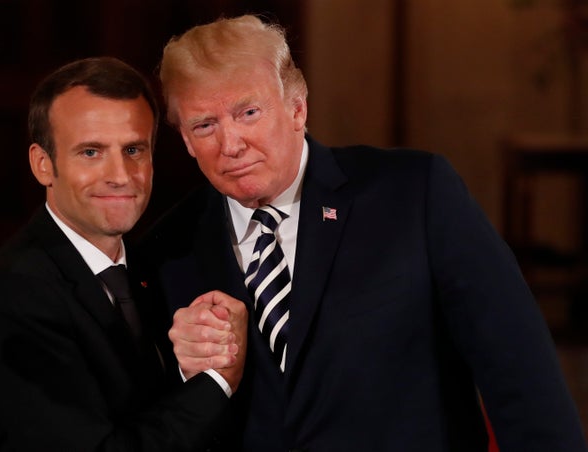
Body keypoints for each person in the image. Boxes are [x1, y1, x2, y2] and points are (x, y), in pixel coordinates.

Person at [141, 14, 588, 451]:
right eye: (205, 125)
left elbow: (519, 370)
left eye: (249, 112)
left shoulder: (414, 194)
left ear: (298, 108)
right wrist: (190, 377)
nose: (231, 144)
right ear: (185, 140)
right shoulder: (166, 250)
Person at [0, 56, 247, 452]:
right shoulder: (9, 296)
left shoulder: (145, 267)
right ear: (43, 165)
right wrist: (217, 380)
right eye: (91, 152)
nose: (121, 175)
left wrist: (192, 360)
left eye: (133, 149)